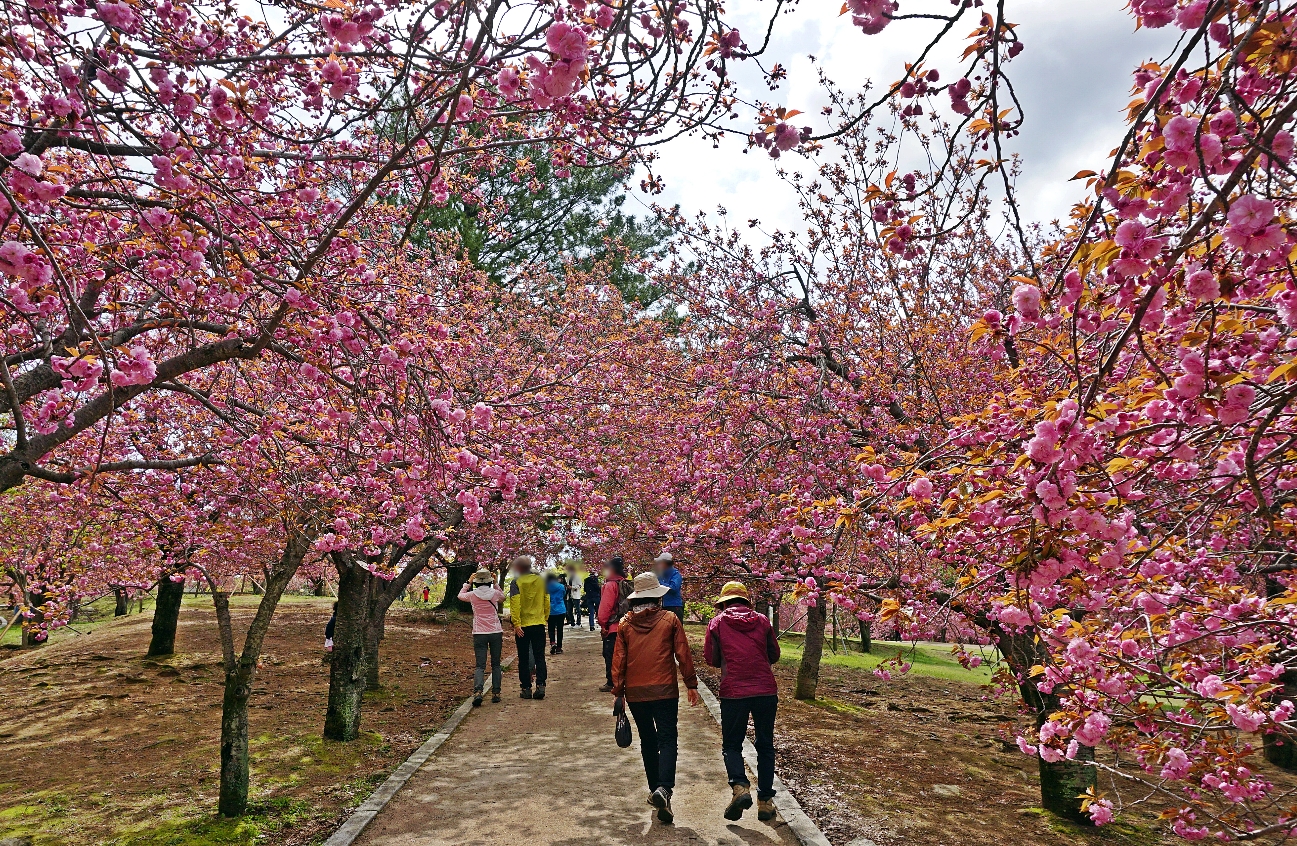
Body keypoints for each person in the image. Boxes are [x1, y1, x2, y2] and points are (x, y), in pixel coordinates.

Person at [611, 572, 701, 825]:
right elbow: (683, 653)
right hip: (665, 690)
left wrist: (618, 691)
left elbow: (619, 661)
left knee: (648, 741)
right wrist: (691, 684)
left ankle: (656, 791)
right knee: (667, 738)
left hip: (637, 693)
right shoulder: (669, 619)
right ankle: (664, 789)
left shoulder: (626, 624)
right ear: (658, 598)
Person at [704, 581, 781, 822]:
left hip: (734, 692)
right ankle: (766, 802)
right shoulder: (762, 620)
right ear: (746, 601)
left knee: (732, 745)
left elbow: (711, 658)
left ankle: (740, 787)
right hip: (765, 691)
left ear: (724, 602)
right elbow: (775, 654)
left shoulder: (717, 623)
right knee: (765, 745)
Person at [457, 568, 505, 706]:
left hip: (479, 633)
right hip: (495, 632)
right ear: (489, 581)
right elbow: (503, 597)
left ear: (476, 582)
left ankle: (478, 692)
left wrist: (468, 582)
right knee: (496, 664)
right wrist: (496, 583)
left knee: (480, 665)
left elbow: (460, 595)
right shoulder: (495, 593)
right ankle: (496, 693)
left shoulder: (472, 595)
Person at [508, 555, 550, 699]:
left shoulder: (516, 582)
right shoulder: (542, 580)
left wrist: (516, 623)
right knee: (540, 656)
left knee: (524, 658)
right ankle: (541, 685)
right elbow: (546, 600)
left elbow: (515, 604)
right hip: (538, 623)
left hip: (523, 627)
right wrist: (544, 617)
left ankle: (526, 688)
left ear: (519, 567)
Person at [597, 556, 630, 692]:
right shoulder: (625, 583)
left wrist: (603, 624)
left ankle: (612, 682)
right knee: (625, 654)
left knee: (610, 654)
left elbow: (605, 608)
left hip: (613, 627)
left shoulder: (610, 585)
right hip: (627, 625)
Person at [651, 551, 685, 621]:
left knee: (675, 629)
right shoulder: (661, 575)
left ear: (665, 563)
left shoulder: (676, 574)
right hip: (664, 606)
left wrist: (659, 582)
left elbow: (673, 588)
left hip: (674, 606)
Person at [546, 570, 567, 655]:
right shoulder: (561, 586)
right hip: (561, 610)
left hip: (550, 610)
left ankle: (552, 643)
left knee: (551, 628)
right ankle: (559, 647)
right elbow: (564, 595)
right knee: (560, 629)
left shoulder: (545, 587)